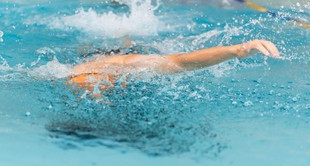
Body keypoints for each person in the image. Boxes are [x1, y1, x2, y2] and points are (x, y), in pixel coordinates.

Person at [69, 40, 280, 97]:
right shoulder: (75, 76)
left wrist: (238, 51)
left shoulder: (125, 65)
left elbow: (179, 61)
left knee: (132, 49)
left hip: (121, 58)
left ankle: (126, 39)